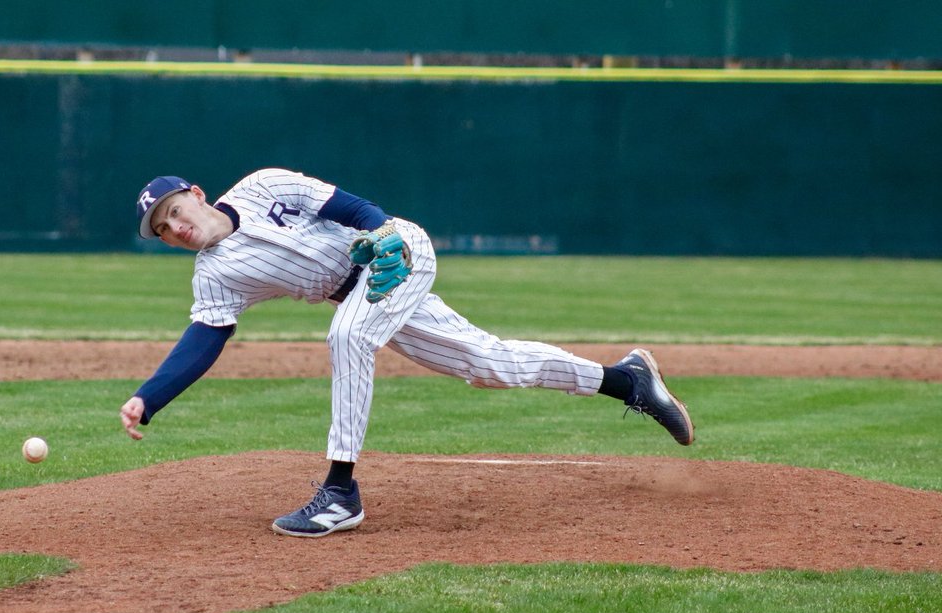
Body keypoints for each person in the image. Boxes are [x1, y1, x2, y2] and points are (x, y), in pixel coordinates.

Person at [120, 168, 694, 538]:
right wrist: (150, 397)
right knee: (488, 362)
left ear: (196, 194)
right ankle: (628, 381)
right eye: (163, 229)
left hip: (396, 253)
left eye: (174, 210)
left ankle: (340, 491)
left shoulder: (262, 185)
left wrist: (386, 233)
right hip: (363, 294)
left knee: (348, 337)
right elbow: (205, 339)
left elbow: (353, 208)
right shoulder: (215, 276)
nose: (175, 227)